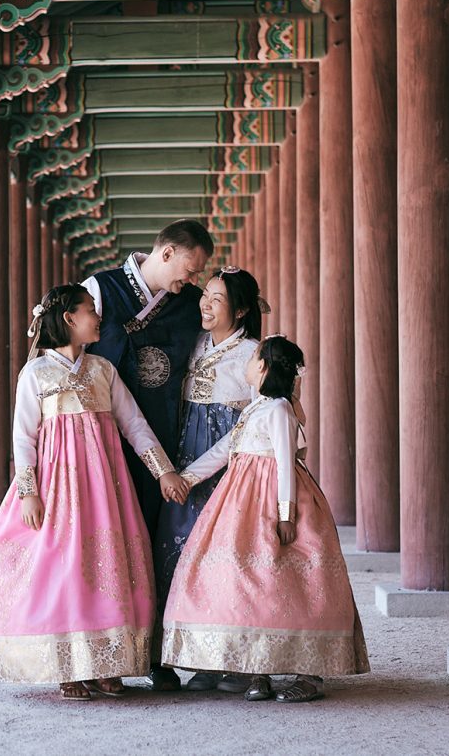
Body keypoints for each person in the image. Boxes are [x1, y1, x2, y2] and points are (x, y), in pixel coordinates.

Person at [0, 284, 189, 700]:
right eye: (91, 310)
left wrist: (163, 471)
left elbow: (134, 426)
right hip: (57, 487)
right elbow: (24, 437)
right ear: (70, 319)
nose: (99, 318)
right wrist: (28, 492)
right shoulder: (36, 373)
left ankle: (107, 664)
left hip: (105, 488)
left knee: (106, 566)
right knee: (64, 569)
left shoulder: (103, 370)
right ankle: (69, 667)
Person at [161, 335, 369, 702]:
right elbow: (223, 451)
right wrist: (187, 477)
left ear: (263, 367)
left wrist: (286, 513)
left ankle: (309, 674)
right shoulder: (255, 408)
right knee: (249, 582)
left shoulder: (278, 409)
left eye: (255, 355)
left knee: (290, 582)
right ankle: (258, 666)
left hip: (272, 497)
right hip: (240, 499)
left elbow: (287, 462)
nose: (249, 359)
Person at [83, 219, 213, 690]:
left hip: (163, 440)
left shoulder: (187, 307)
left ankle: (157, 652)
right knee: (106, 544)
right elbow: (66, 352)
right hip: (99, 442)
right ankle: (104, 654)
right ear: (166, 252)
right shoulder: (100, 289)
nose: (192, 280)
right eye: (189, 268)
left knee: (157, 544)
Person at [153, 266, 265, 693]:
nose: (206, 303)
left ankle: (234, 661)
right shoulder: (195, 343)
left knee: (227, 560)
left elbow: (248, 430)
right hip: (183, 459)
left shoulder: (254, 354)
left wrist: (193, 473)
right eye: (207, 295)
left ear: (239, 310)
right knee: (178, 555)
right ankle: (197, 658)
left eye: (217, 299)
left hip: (227, 471)